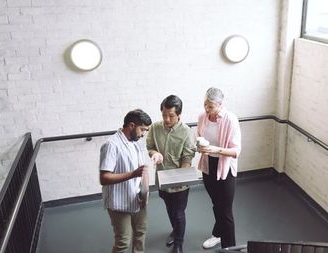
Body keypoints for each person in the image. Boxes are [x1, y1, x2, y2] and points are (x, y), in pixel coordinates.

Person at [146, 95, 196, 253]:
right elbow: (150, 146)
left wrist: (179, 178)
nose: (167, 119)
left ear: (179, 114)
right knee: (169, 208)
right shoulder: (155, 128)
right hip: (161, 178)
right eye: (164, 115)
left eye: (171, 115)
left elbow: (188, 157)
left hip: (180, 181)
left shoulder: (187, 132)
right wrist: (154, 153)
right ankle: (175, 231)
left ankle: (179, 244)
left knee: (179, 212)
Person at [99, 109, 152, 253]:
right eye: (142, 129)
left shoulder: (138, 142)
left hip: (138, 199)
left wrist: (145, 193)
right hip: (119, 202)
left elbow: (144, 170)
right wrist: (133, 174)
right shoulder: (111, 145)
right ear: (131, 125)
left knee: (140, 234)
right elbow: (104, 178)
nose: (143, 134)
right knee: (123, 242)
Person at [196, 87, 241, 249]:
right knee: (217, 204)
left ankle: (230, 248)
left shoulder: (231, 119)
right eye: (205, 104)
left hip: (226, 167)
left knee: (226, 210)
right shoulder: (202, 117)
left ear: (220, 105)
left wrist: (216, 149)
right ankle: (218, 234)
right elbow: (199, 137)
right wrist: (200, 147)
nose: (207, 109)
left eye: (211, 106)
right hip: (209, 165)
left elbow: (236, 151)